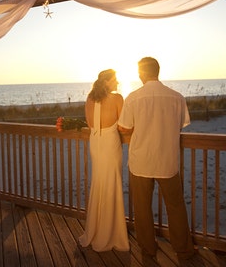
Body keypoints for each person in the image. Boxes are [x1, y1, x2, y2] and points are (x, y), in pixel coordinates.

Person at [117, 57, 196, 262]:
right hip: (168, 161)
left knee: (142, 208)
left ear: (141, 73)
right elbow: (180, 124)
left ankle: (148, 249)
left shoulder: (133, 98)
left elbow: (124, 127)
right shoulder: (176, 97)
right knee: (176, 207)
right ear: (158, 71)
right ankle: (184, 250)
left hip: (141, 161)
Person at [79, 69, 130, 252]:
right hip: (110, 143)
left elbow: (89, 123)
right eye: (115, 79)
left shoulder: (90, 99)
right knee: (113, 184)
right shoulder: (117, 98)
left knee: (99, 183)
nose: (118, 82)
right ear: (107, 81)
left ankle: (97, 229)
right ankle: (111, 233)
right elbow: (124, 125)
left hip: (95, 142)